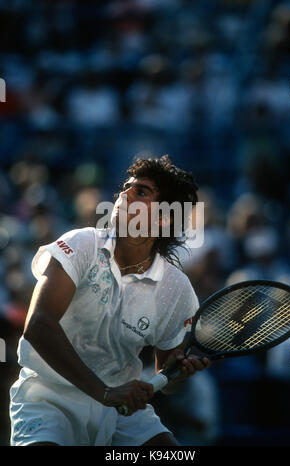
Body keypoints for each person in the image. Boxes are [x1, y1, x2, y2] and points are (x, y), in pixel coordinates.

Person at [9, 155, 211, 446]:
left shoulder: (177, 289)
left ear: (165, 217)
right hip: (47, 398)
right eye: (126, 187)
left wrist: (179, 373)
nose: (123, 194)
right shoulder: (81, 244)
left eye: (141, 191)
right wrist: (103, 392)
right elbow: (39, 325)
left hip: (121, 411)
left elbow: (168, 380)